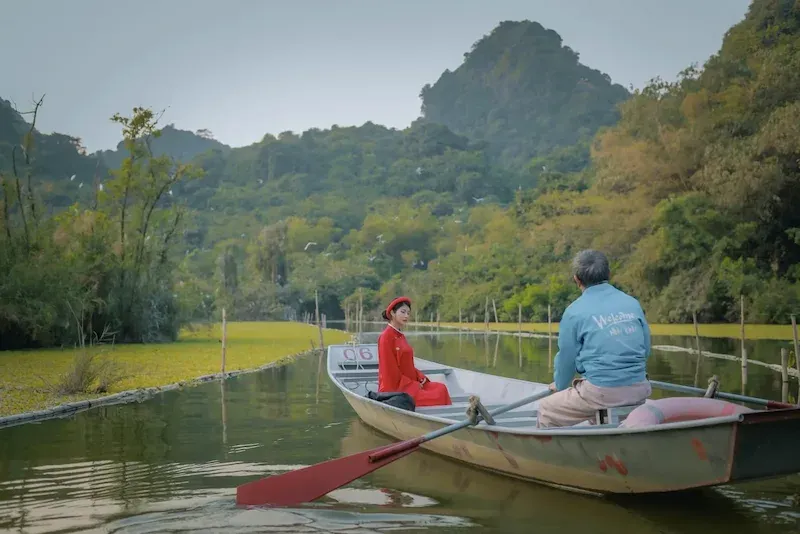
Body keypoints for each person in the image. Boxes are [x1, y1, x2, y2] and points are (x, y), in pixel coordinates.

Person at [537, 249, 652, 428]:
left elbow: (566, 360)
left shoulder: (574, 312)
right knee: (596, 406)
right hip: (640, 389)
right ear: (609, 274)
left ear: (577, 279)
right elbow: (645, 350)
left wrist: (559, 385)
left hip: (601, 393)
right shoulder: (632, 303)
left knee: (545, 408)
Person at [377, 296, 452, 407]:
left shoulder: (400, 336)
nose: (406, 316)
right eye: (403, 312)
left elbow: (407, 364)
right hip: (396, 390)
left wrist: (419, 377)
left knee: (441, 388)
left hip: (410, 383)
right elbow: (389, 372)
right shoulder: (386, 337)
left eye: (408, 313)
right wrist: (412, 385)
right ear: (392, 313)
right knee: (438, 394)